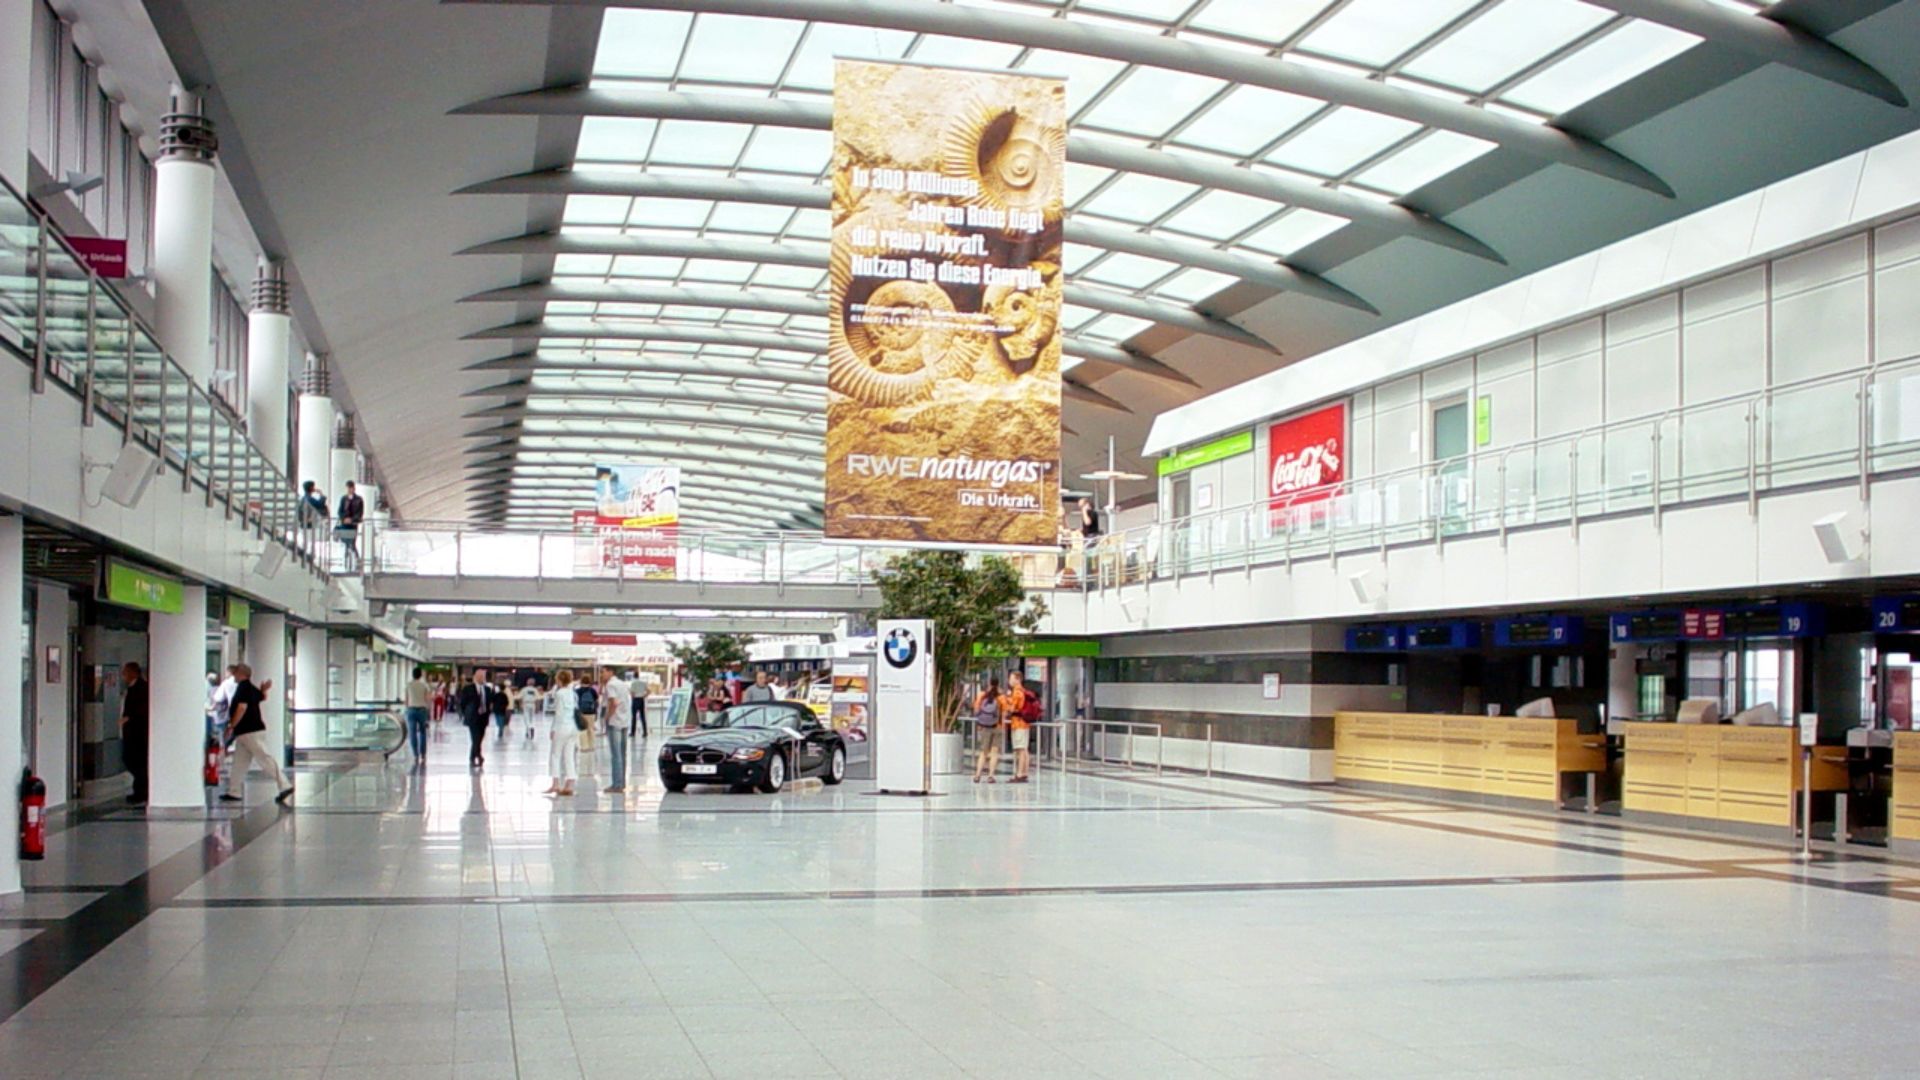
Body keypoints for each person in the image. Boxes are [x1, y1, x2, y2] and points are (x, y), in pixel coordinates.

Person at [219, 664, 293, 806]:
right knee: (239, 763)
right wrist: (264, 690)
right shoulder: (251, 688)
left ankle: (285, 785)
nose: (233, 675)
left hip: (249, 731)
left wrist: (231, 725)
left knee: (264, 758)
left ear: (241, 673)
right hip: (245, 733)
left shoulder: (243, 687)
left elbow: (242, 707)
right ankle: (234, 791)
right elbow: (262, 697)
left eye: (235, 673)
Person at [544, 670, 580, 797]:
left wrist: (553, 729)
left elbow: (558, 713)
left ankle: (555, 784)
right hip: (573, 727)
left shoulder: (559, 693)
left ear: (559, 680)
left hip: (562, 726)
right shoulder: (573, 693)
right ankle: (570, 783)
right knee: (569, 755)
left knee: (555, 755)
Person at [119, 662, 149, 805]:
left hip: (138, 734)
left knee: (135, 761)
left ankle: (141, 791)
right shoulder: (131, 688)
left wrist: (129, 718)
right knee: (132, 760)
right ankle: (140, 790)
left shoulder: (141, 688)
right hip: (131, 732)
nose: (123, 675)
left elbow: (142, 710)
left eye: (125, 672)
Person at [601, 669, 633, 793]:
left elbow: (613, 703)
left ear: (610, 672)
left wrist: (607, 717)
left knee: (616, 754)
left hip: (614, 721)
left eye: (603, 672)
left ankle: (616, 784)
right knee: (623, 753)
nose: (601, 675)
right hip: (624, 720)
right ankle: (622, 782)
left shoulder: (610, 685)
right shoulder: (622, 684)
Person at [1006, 670, 1040, 784]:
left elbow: (1012, 708)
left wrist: (1007, 700)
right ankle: (1024, 772)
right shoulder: (1024, 691)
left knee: (1020, 749)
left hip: (1018, 723)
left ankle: (1019, 773)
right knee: (1024, 749)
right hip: (1024, 723)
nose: (1009, 681)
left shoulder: (1016, 692)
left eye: (1011, 678)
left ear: (1017, 679)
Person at [971, 678, 1003, 784]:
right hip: (998, 726)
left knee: (983, 752)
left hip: (985, 727)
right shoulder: (1001, 697)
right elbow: (1007, 710)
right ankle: (990, 776)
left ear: (988, 684)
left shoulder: (982, 695)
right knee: (994, 752)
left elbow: (976, 709)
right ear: (998, 685)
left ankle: (977, 775)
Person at [456, 670, 490, 769]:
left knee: (479, 739)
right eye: (480, 676)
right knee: (475, 738)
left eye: (483, 676)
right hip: (473, 718)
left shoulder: (487, 689)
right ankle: (477, 757)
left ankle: (474, 756)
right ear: (475, 677)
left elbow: (489, 702)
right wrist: (466, 713)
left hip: (483, 718)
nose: (482, 678)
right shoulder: (468, 689)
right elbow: (462, 702)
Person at [403, 666, 433, 766]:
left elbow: (406, 700)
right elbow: (428, 699)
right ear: (420, 675)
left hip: (411, 710)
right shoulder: (424, 685)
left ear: (413, 675)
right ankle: (423, 754)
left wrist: (407, 709)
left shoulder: (408, 685)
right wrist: (428, 711)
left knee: (412, 733)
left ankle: (415, 754)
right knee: (423, 732)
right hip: (422, 710)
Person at [336, 480, 365, 573]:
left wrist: (352, 520)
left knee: (352, 543)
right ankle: (347, 563)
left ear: (353, 488)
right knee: (346, 543)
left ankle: (356, 562)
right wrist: (344, 518)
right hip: (344, 524)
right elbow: (339, 511)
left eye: (350, 488)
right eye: (348, 488)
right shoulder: (343, 499)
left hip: (353, 525)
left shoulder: (359, 499)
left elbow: (360, 513)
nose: (349, 490)